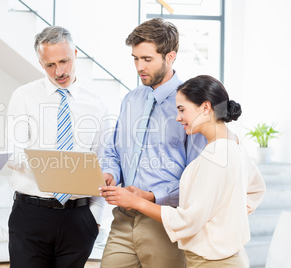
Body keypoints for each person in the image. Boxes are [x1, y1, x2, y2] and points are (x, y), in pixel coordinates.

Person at [101, 75, 266, 267]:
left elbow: (187, 220)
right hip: (221, 258)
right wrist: (224, 219)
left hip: (213, 262)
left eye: (181, 110)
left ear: (205, 108)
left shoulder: (216, 155)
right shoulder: (232, 145)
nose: (178, 118)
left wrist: (136, 201)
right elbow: (257, 190)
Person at [99, 18, 207, 267]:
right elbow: (114, 151)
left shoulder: (192, 104)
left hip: (165, 222)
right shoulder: (131, 99)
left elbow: (198, 177)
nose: (139, 67)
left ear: (170, 56)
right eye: (135, 58)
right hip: (123, 219)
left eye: (147, 59)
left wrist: (150, 196)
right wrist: (110, 173)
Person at [6, 26, 109, 267]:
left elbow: (101, 163)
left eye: (64, 61)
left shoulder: (97, 105)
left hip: (79, 218)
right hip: (31, 213)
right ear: (41, 63)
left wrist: (94, 218)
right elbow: (13, 154)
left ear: (75, 53)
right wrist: (56, 168)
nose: (59, 71)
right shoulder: (24, 96)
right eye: (50, 65)